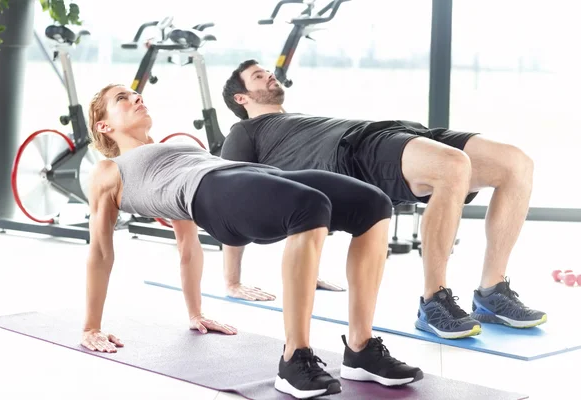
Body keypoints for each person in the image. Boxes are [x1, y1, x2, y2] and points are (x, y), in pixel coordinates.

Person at [80, 83, 423, 399]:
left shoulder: (172, 148)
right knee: (310, 207)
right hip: (214, 194)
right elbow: (100, 250)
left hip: (253, 176)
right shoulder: (109, 170)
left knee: (373, 202)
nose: (136, 98)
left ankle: (361, 350)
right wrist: (91, 326)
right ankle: (294, 359)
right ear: (103, 126)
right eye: (121, 99)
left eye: (135, 94)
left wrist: (196, 312)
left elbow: (187, 246)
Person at [220, 59, 547, 340]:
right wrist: (232, 280)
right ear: (241, 97)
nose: (269, 75)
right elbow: (233, 194)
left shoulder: (293, 120)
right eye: (258, 76)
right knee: (452, 166)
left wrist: (311, 268)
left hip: (394, 131)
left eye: (266, 71)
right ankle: (434, 302)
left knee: (516, 164)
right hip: (353, 151)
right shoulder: (244, 133)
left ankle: (492, 290)